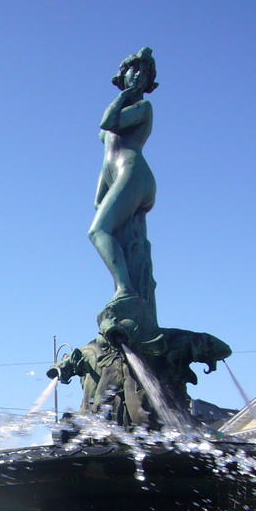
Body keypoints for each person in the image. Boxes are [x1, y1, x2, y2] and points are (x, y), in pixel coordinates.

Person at [88, 47, 159, 318]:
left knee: (97, 231)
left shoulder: (142, 107)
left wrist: (125, 95)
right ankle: (132, 288)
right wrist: (100, 191)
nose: (139, 76)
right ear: (123, 75)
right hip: (116, 172)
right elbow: (107, 155)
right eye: (134, 71)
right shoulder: (124, 109)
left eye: (145, 73)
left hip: (134, 173)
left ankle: (125, 290)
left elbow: (108, 121)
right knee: (116, 234)